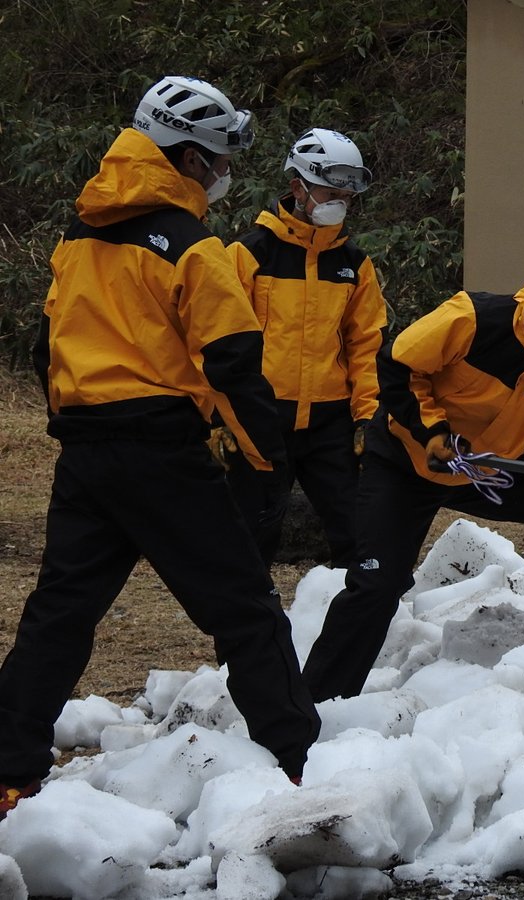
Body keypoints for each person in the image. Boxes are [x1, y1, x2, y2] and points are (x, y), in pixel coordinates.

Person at [0, 75, 321, 818]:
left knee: (59, 614)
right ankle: (300, 762)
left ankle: (10, 772)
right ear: (186, 158)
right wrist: (268, 464)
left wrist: (72, 421)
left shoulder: (80, 236)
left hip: (86, 452)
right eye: (216, 159)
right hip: (163, 450)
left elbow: (46, 346)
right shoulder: (191, 245)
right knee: (244, 608)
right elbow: (235, 363)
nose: (222, 173)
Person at [301, 251, 524, 702]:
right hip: (408, 462)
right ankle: (314, 704)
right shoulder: (475, 319)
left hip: (487, 466)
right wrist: (430, 431)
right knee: (377, 584)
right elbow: (398, 365)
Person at [222, 127, 388, 568]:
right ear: (298, 186)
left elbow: (365, 343)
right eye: (330, 191)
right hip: (260, 416)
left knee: (360, 531)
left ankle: (365, 618)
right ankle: (254, 624)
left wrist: (368, 415)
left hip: (329, 422)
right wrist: (215, 416)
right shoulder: (248, 254)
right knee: (252, 532)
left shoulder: (354, 264)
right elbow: (218, 342)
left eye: (347, 195)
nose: (340, 202)